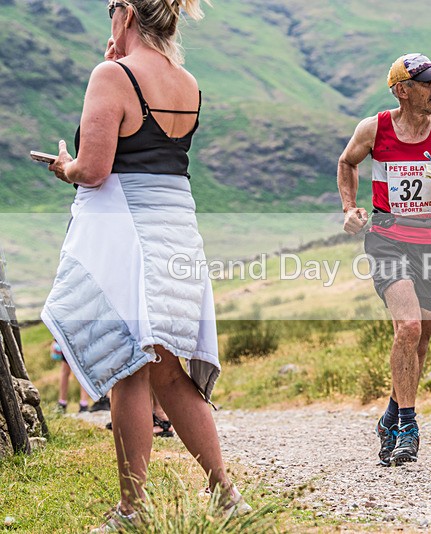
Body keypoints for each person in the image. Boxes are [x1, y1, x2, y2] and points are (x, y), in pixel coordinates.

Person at [40, 0, 250, 529]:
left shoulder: (112, 75)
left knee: (128, 370)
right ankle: (226, 495)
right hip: (178, 233)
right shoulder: (187, 81)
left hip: (129, 239)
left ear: (127, 12)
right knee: (171, 373)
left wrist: (65, 166)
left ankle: (131, 510)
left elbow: (94, 170)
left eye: (112, 6)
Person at [337, 53, 431, 466]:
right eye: (427, 83)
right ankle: (408, 426)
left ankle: (389, 416)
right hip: (387, 240)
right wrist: (349, 208)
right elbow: (347, 162)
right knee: (409, 327)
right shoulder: (375, 128)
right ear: (402, 90)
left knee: (419, 341)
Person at [52, 339, 91, 413]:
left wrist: (55, 340)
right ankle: (82, 404)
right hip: (72, 340)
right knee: (70, 371)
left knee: (69, 371)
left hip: (71, 340)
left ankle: (82, 404)